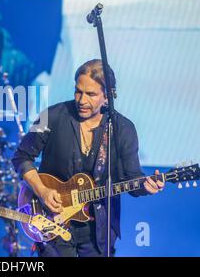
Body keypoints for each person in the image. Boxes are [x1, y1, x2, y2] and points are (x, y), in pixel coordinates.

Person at [12, 59, 165, 257]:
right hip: (52, 220)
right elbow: (21, 157)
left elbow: (131, 178)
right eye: (78, 91)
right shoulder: (50, 115)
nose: (82, 100)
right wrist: (42, 191)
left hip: (98, 230)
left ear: (107, 96)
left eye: (91, 94)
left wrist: (146, 186)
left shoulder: (122, 129)